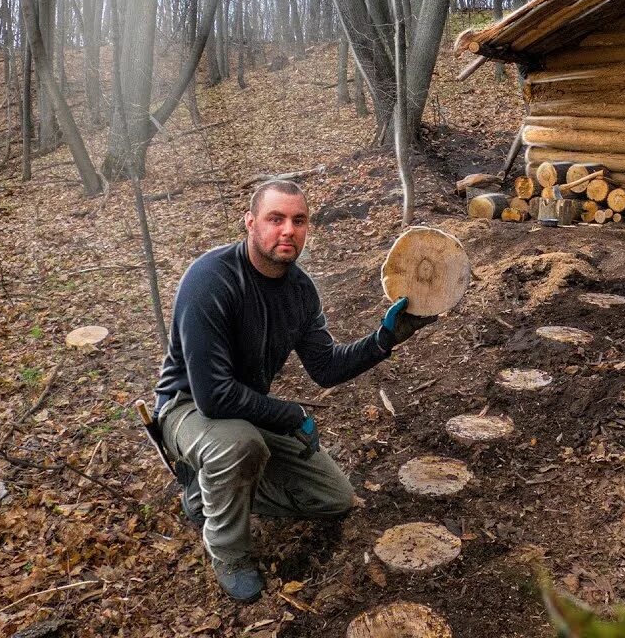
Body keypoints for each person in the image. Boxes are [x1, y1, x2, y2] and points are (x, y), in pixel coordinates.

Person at [152, 179, 435, 602]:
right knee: (240, 446)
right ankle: (229, 552)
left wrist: (384, 340)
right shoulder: (210, 279)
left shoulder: (300, 291)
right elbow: (212, 396)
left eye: (298, 220)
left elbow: (325, 367)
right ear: (250, 223)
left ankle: (208, 491)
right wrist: (289, 414)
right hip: (188, 407)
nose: (288, 230)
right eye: (275, 219)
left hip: (244, 411)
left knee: (334, 498)